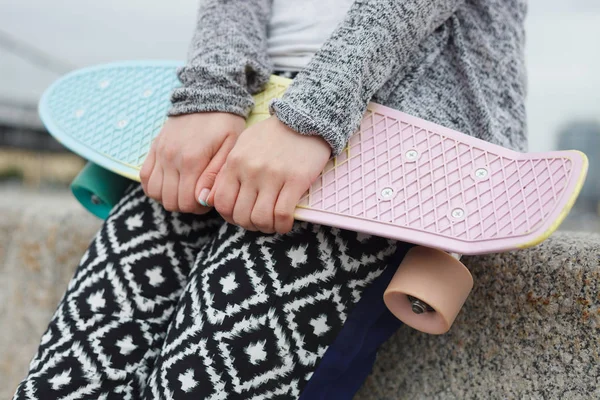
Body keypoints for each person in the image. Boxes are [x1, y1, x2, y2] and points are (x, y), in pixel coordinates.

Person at [14, 0, 527, 398]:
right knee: (64, 384)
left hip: (390, 132)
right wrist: (211, 92)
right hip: (230, 112)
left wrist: (315, 110)